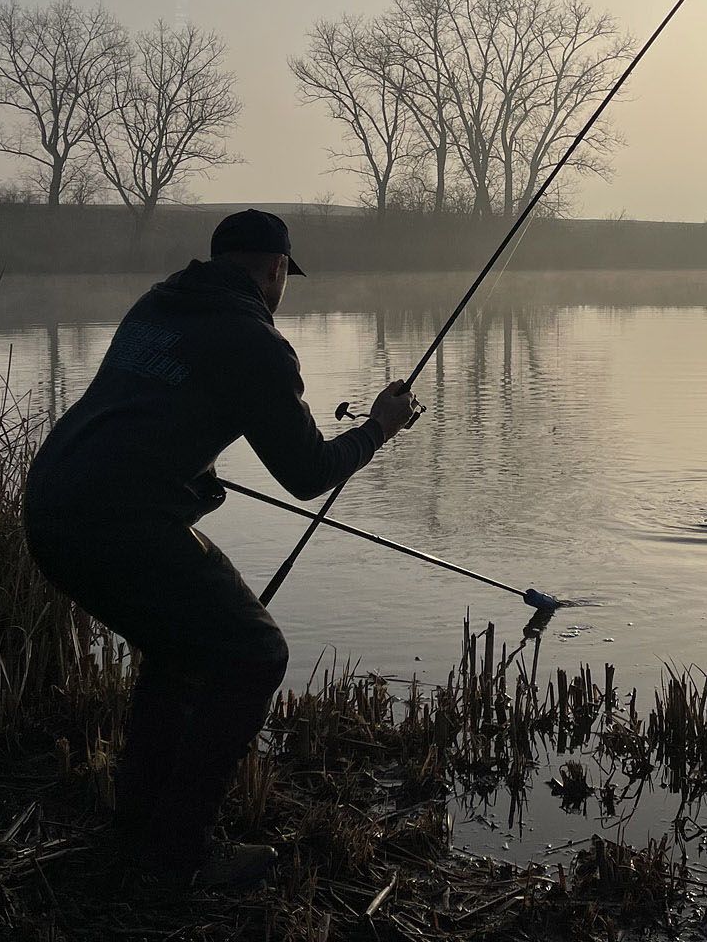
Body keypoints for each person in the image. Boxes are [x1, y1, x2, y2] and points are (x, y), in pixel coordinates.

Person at [22, 208, 417, 889]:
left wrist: (192, 472)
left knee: (179, 651)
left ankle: (139, 828)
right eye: (284, 277)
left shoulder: (162, 302)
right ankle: (180, 856)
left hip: (53, 502)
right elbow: (306, 474)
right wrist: (380, 429)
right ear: (274, 270)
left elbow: (146, 410)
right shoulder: (255, 343)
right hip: (118, 521)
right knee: (255, 654)